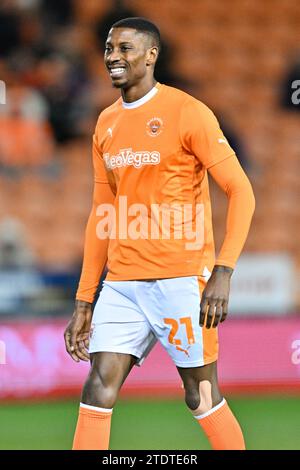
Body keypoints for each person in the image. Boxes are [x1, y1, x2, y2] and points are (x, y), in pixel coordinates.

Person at [64, 17, 255, 451]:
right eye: (109, 48)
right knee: (97, 388)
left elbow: (241, 190)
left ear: (151, 55)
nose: (113, 56)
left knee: (201, 396)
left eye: (125, 48)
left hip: (182, 277)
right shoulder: (106, 123)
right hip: (123, 282)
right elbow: (102, 212)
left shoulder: (187, 112)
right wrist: (84, 298)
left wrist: (222, 271)